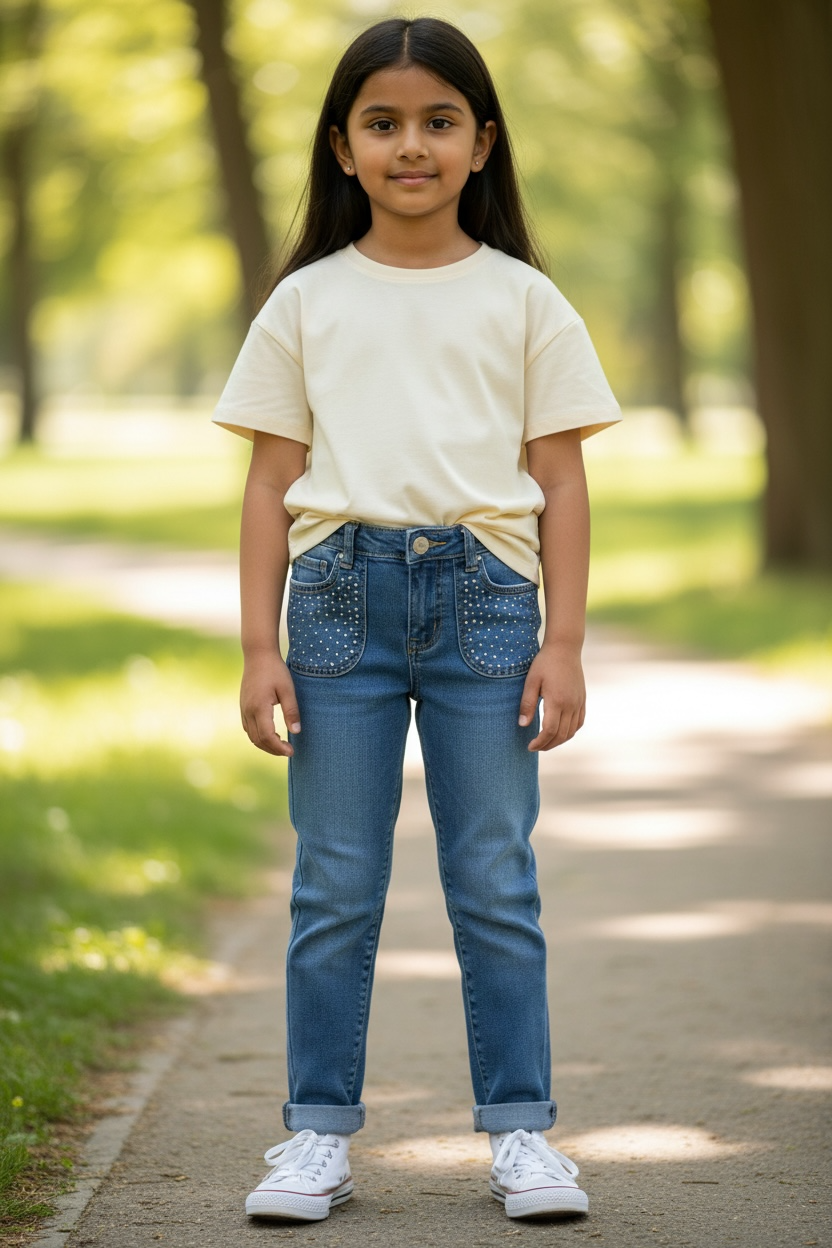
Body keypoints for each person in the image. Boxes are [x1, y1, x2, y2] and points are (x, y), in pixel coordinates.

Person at [213, 14, 621, 1225]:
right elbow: (267, 482)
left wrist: (565, 641)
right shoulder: (304, 301)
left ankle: (522, 1131)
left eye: (438, 122)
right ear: (341, 147)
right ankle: (316, 1136)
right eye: (382, 123)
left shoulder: (526, 300)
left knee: (493, 877)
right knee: (334, 882)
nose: (411, 146)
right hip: (337, 600)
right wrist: (256, 645)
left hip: (489, 609)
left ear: (482, 143)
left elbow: (560, 481)